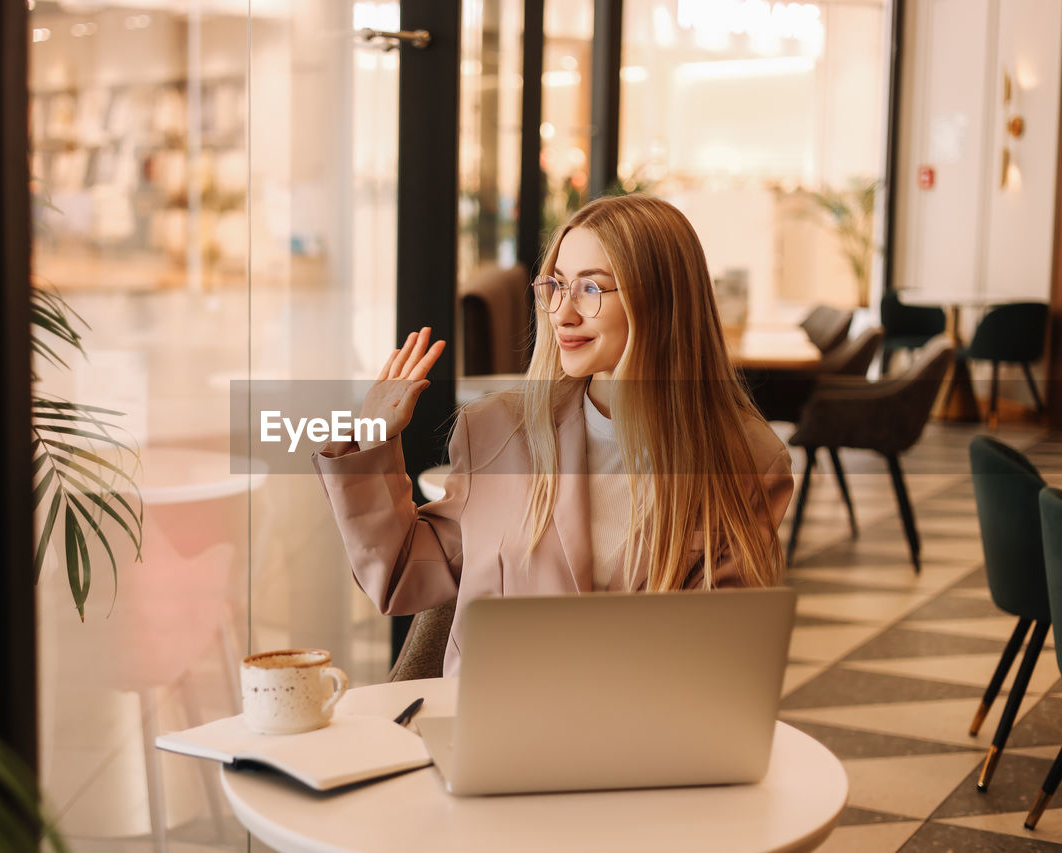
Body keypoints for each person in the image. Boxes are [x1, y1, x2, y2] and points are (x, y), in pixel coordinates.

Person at [312, 194, 794, 676]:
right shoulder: (496, 432)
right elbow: (403, 577)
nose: (562, 314)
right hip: (492, 729)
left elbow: (725, 656)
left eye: (591, 289)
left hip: (642, 738)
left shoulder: (748, 460)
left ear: (662, 300)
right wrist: (370, 439)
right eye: (557, 286)